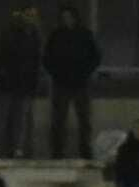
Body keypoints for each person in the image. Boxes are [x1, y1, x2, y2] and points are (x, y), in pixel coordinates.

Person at [44, 3, 100, 160]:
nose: (67, 20)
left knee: (84, 120)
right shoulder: (56, 35)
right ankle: (57, 152)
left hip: (80, 84)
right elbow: (47, 58)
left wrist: (84, 73)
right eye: (64, 18)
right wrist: (56, 73)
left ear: (75, 18)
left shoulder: (85, 34)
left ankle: (85, 151)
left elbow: (95, 57)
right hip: (61, 84)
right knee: (58, 121)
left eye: (69, 17)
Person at [0, 6, 42, 159]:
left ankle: (17, 149)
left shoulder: (35, 36)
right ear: (21, 15)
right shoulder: (8, 32)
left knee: (20, 119)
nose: (30, 18)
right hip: (7, 83)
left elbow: (37, 61)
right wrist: (5, 72)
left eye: (33, 16)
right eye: (27, 15)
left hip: (25, 85)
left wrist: (34, 83)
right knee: (2, 118)